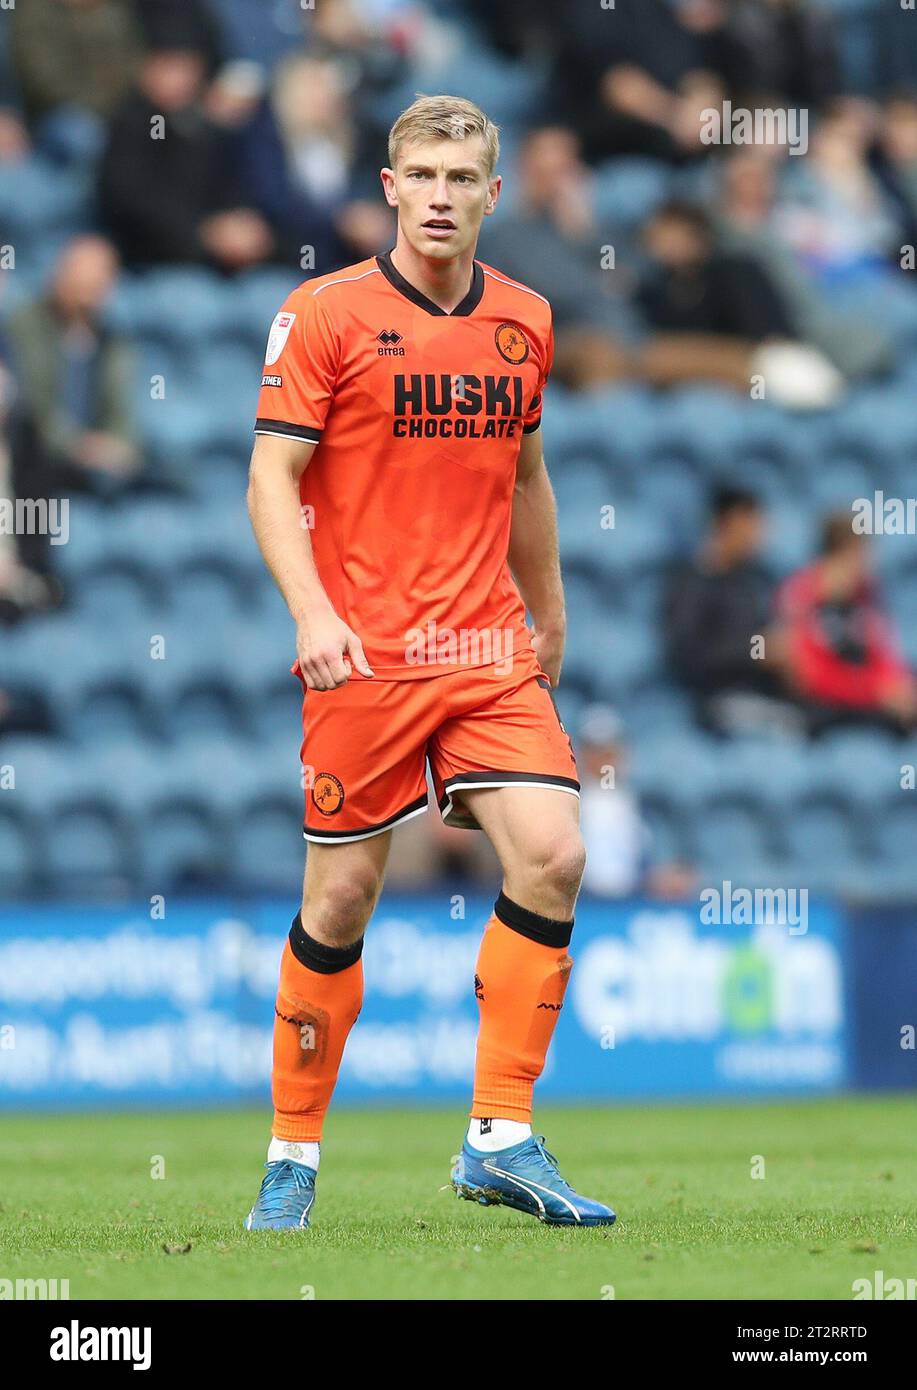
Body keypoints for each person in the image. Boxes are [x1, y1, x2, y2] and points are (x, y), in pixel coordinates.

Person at [244, 94, 615, 1230]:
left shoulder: (526, 321)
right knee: (343, 894)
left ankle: (497, 1135)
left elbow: (527, 478)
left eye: (463, 178)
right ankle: (292, 1156)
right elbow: (270, 480)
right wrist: (310, 612)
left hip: (487, 648)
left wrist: (546, 614)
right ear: (389, 186)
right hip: (363, 655)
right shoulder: (325, 314)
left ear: (492, 195)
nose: (443, 197)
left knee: (552, 852)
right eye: (423, 176)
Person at [5, 236, 140, 489]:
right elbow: (32, 407)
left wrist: (118, 447)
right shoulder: (25, 327)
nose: (88, 293)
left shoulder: (113, 341)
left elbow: (123, 414)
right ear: (59, 276)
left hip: (95, 469)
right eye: (81, 282)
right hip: (34, 464)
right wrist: (78, 446)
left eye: (97, 284)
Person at [664, 487, 796, 735]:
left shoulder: (750, 582)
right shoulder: (691, 583)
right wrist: (758, 653)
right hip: (716, 702)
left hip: (762, 697)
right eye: (751, 525)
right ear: (728, 522)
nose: (758, 536)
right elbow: (687, 654)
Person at [777, 513, 917, 735]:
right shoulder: (799, 597)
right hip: (823, 707)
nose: (870, 562)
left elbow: (884, 654)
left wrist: (897, 684)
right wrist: (874, 691)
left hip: (865, 701)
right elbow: (809, 675)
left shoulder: (866, 595)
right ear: (843, 552)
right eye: (864, 554)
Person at [577, 705, 695, 900]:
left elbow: (660, 860)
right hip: (582, 904)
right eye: (596, 751)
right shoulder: (568, 803)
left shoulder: (644, 804)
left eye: (611, 750)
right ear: (583, 754)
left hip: (635, 900)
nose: (605, 759)